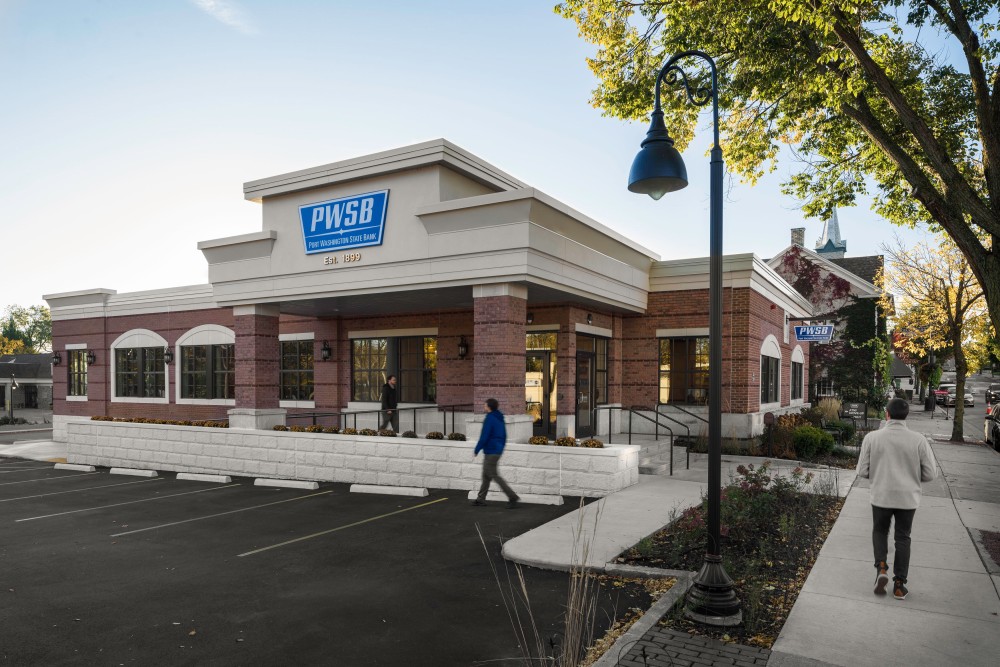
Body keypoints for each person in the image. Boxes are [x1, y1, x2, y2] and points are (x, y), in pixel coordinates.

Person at [857, 397, 937, 600]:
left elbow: (862, 471)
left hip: (881, 495)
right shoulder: (918, 440)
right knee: (903, 537)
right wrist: (910, 475)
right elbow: (930, 474)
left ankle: (881, 568)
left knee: (880, 531)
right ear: (906, 415)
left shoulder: (873, 438)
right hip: (907, 498)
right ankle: (899, 585)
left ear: (887, 414)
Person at [472, 398, 519, 508]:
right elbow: (503, 435)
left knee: (494, 475)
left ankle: (512, 497)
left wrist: (477, 449)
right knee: (486, 476)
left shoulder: (490, 418)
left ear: (489, 407)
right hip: (496, 450)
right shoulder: (499, 417)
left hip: (491, 450)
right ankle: (480, 499)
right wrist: (500, 447)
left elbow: (484, 436)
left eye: (485, 405)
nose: (484, 406)